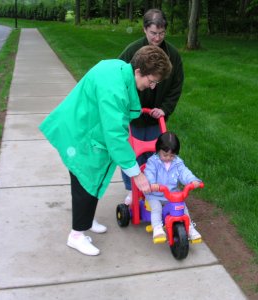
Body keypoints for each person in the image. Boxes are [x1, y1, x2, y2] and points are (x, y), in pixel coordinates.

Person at [39, 45, 172, 256]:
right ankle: (76, 235)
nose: (152, 86)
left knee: (92, 179)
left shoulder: (121, 69)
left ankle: (86, 219)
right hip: (80, 131)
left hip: (88, 124)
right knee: (84, 180)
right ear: (138, 71)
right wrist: (136, 174)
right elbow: (115, 136)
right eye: (152, 80)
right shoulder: (115, 90)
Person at [119, 9, 184, 204]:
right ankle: (132, 189)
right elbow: (121, 79)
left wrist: (165, 109)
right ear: (145, 29)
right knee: (132, 152)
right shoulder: (132, 51)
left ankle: (154, 187)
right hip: (134, 115)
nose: (157, 37)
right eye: (153, 33)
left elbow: (176, 86)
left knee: (154, 153)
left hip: (157, 115)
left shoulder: (172, 55)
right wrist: (131, 106)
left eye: (161, 33)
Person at [143, 132, 202, 243]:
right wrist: (152, 183)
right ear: (158, 150)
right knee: (156, 208)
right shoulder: (153, 161)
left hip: (172, 194)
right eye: (165, 155)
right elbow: (149, 172)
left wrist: (193, 181)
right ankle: (157, 228)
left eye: (172, 155)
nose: (169, 158)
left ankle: (189, 227)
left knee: (183, 208)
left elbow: (184, 172)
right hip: (155, 194)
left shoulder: (177, 162)